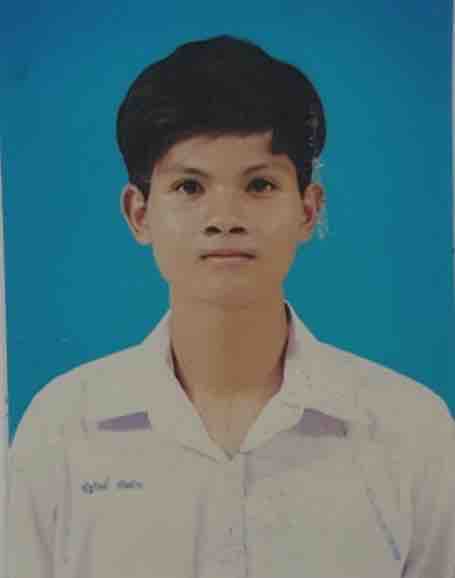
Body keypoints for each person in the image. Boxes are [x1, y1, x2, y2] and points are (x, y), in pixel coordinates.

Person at [8, 35, 455, 578]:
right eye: (189, 187)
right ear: (138, 214)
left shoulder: (411, 430)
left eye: (260, 185)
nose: (225, 218)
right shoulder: (62, 428)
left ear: (308, 210)